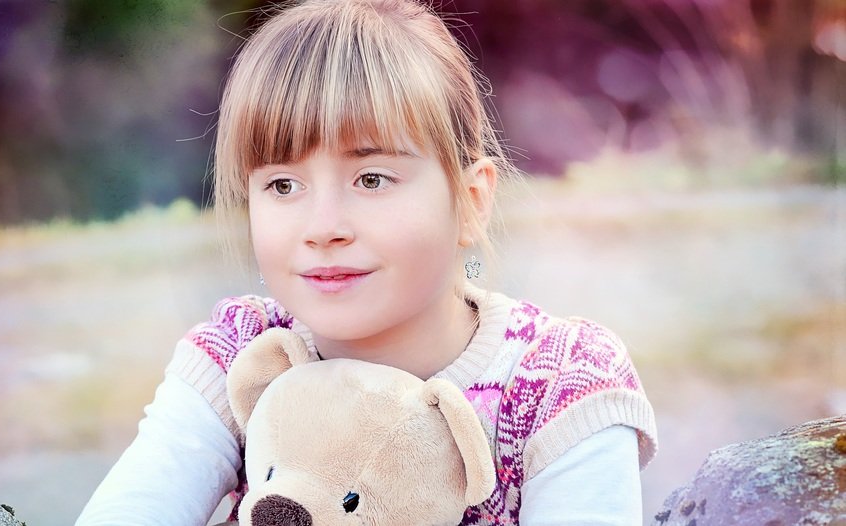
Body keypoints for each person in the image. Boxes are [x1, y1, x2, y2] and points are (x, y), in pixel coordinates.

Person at [76, 0, 658, 524]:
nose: (323, 227)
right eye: (282, 185)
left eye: (372, 178)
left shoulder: (559, 382)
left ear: (471, 201)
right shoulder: (240, 354)